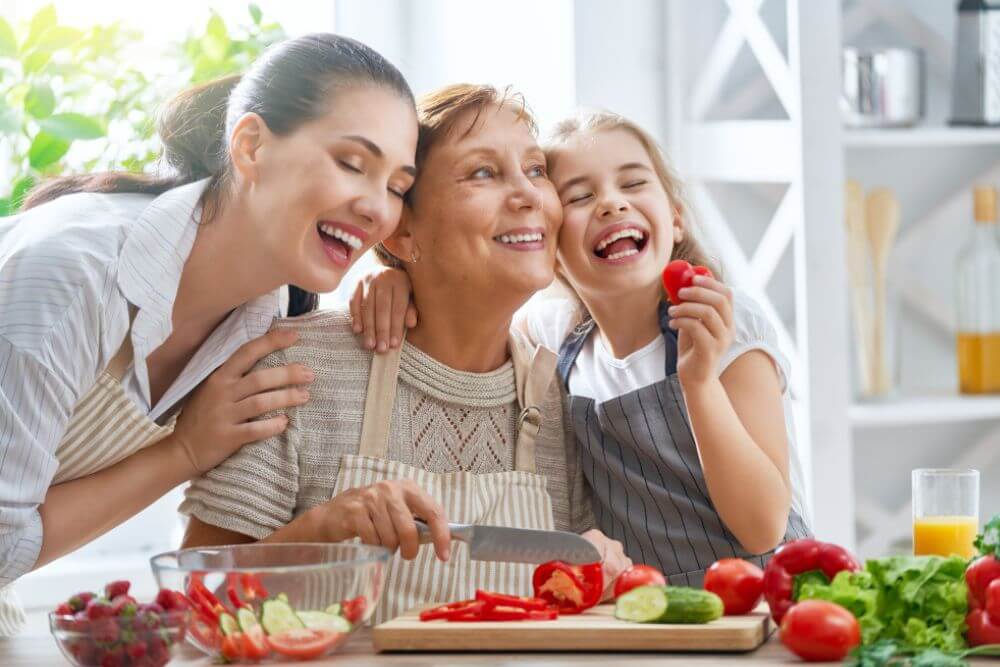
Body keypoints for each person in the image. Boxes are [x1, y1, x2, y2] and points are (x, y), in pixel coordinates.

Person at [0, 33, 418, 633]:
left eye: (398, 188)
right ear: (250, 146)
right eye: (353, 163)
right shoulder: (69, 274)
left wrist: (402, 281)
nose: (378, 208)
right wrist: (185, 452)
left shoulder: (270, 314)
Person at [180, 85, 629, 624]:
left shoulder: (554, 394)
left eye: (535, 170)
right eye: (482, 173)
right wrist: (323, 530)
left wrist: (601, 569)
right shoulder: (298, 368)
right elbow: (196, 599)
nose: (530, 195)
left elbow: (562, 610)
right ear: (401, 229)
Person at [353, 110, 812, 587]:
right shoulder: (553, 336)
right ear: (551, 246)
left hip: (768, 598)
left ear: (675, 220)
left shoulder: (727, 327)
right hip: (653, 612)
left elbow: (763, 528)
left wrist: (697, 381)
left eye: (633, 184)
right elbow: (466, 306)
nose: (612, 205)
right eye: (580, 196)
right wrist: (397, 277)